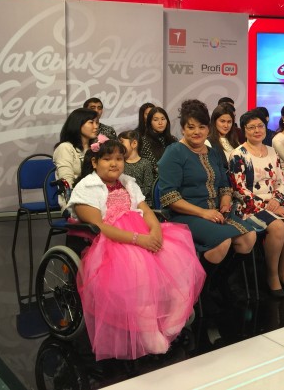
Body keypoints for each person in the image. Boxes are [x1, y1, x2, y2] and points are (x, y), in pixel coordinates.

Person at [67, 138, 205, 360]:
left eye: (119, 158)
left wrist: (156, 232)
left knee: (175, 256)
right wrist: (137, 239)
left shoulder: (128, 182)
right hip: (113, 239)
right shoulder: (86, 188)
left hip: (141, 232)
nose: (114, 163)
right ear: (94, 162)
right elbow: (99, 226)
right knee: (138, 271)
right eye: (107, 159)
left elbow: (146, 210)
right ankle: (148, 331)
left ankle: (173, 320)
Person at [157, 100, 256, 294]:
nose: (197, 132)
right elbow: (169, 197)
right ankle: (201, 290)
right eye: (191, 127)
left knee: (249, 237)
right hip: (185, 214)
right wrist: (203, 213)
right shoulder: (174, 152)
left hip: (216, 211)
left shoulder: (213, 153)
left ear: (208, 128)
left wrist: (225, 201)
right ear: (183, 129)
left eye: (202, 127)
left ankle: (220, 281)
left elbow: (224, 184)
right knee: (222, 242)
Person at [229, 111, 284, 297]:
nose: (257, 130)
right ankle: (272, 276)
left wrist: (276, 201)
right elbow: (239, 190)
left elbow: (280, 182)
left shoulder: (271, 151)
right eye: (251, 127)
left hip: (275, 202)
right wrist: (265, 204)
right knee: (277, 226)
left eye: (260, 126)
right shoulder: (238, 154)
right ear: (244, 130)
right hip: (249, 205)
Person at [53, 108, 99, 193]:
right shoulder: (65, 148)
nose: (96, 126)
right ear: (78, 124)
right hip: (76, 196)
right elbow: (66, 182)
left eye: (97, 122)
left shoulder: (97, 147)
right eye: (91, 122)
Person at [118, 130, 155, 207]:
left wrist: (132, 194)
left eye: (121, 142)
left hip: (142, 202)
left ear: (134, 143)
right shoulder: (120, 164)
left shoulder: (145, 164)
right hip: (122, 201)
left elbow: (148, 187)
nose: (118, 146)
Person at [140, 106, 177, 175]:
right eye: (156, 120)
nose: (160, 123)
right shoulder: (144, 142)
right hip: (157, 179)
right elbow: (153, 167)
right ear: (150, 122)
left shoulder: (173, 140)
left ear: (167, 121)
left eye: (163, 119)